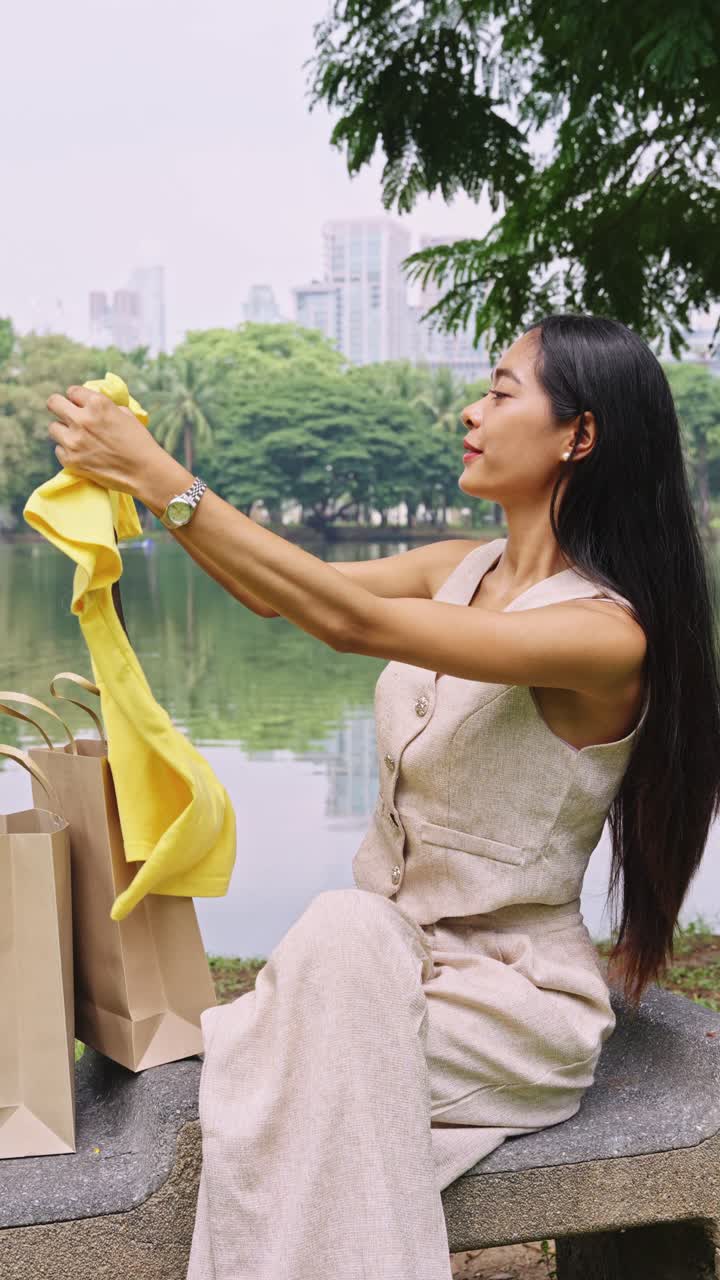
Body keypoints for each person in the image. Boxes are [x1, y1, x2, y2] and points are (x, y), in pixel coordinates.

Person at [47, 313, 720, 1279]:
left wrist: (161, 472)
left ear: (580, 435)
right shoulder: (457, 569)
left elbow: (351, 621)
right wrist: (136, 486)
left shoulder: (605, 637)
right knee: (339, 938)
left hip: (505, 1002)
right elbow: (283, 594)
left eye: (498, 392)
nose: (469, 410)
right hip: (380, 964)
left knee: (277, 1070)